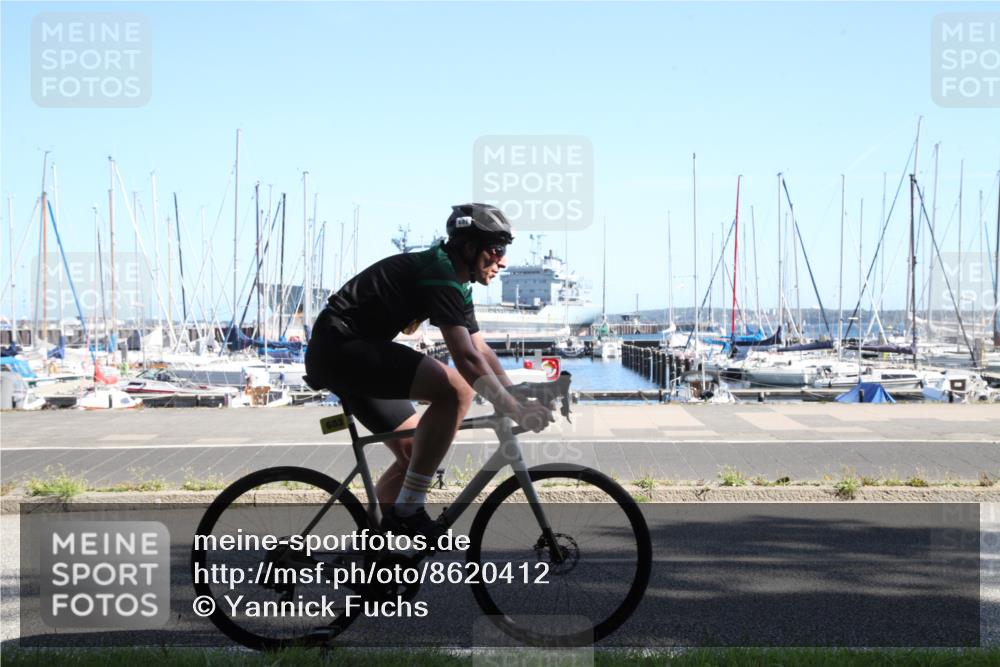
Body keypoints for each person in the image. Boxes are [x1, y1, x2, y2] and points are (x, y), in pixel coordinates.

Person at [305, 203, 553, 540]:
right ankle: (408, 510)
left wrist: (515, 395)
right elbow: (466, 359)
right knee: (456, 390)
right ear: (470, 248)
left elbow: (480, 348)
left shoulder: (456, 281)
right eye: (497, 249)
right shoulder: (439, 272)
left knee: (416, 454)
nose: (503, 261)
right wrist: (514, 409)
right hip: (340, 348)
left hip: (352, 352)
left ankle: (377, 551)